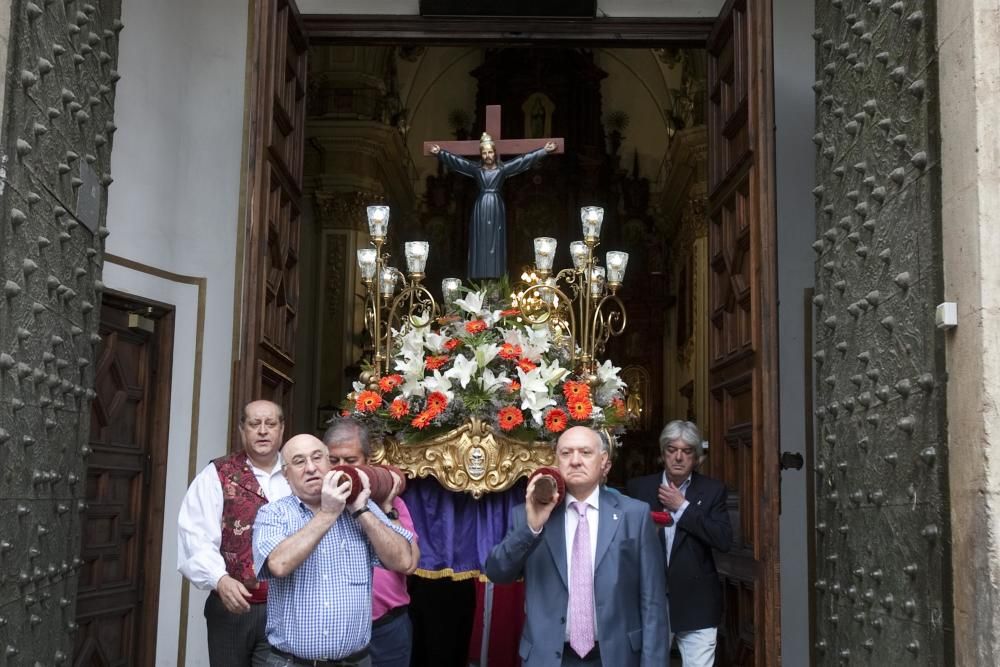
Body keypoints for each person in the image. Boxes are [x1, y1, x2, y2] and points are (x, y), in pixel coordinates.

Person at [486, 426, 667, 667]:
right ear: (555, 461)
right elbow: (497, 572)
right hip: (548, 657)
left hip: (615, 657)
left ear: (604, 462)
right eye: (566, 453)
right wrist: (532, 528)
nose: (575, 461)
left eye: (585, 452)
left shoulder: (634, 514)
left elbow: (652, 602)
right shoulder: (527, 515)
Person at [253, 434, 414, 666]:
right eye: (299, 461)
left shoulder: (361, 507)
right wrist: (327, 513)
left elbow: (404, 561)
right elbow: (278, 565)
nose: (311, 468)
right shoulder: (273, 514)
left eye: (317, 458)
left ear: (330, 465)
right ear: (286, 476)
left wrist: (361, 511)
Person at [177, 400, 291, 666]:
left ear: (282, 429)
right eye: (254, 424)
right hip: (232, 608)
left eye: (271, 424)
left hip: (287, 607)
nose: (263, 431)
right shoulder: (216, 474)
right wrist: (219, 579)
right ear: (243, 430)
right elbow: (195, 535)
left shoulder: (298, 472)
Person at [626, 420, 732, 667]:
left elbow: (723, 539)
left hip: (698, 602)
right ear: (663, 453)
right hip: (650, 600)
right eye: (672, 450)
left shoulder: (713, 490)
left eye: (686, 451)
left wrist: (682, 508)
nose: (678, 457)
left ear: (696, 458)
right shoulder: (639, 488)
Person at [324, 419, 420, 667]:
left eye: (351, 461)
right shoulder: (314, 502)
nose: (341, 470)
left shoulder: (391, 502)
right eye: (333, 461)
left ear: (367, 461)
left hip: (387, 628)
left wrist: (387, 508)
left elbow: (410, 563)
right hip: (335, 629)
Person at [430, 134, 556, 280]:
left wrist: (543, 151)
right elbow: (460, 163)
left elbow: (522, 161)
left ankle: (496, 274)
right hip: (481, 207)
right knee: (481, 241)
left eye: (490, 152)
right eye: (484, 153)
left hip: (496, 207)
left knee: (496, 241)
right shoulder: (477, 170)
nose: (487, 155)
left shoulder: (502, 169)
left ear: (495, 153)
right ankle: (480, 275)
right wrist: (440, 153)